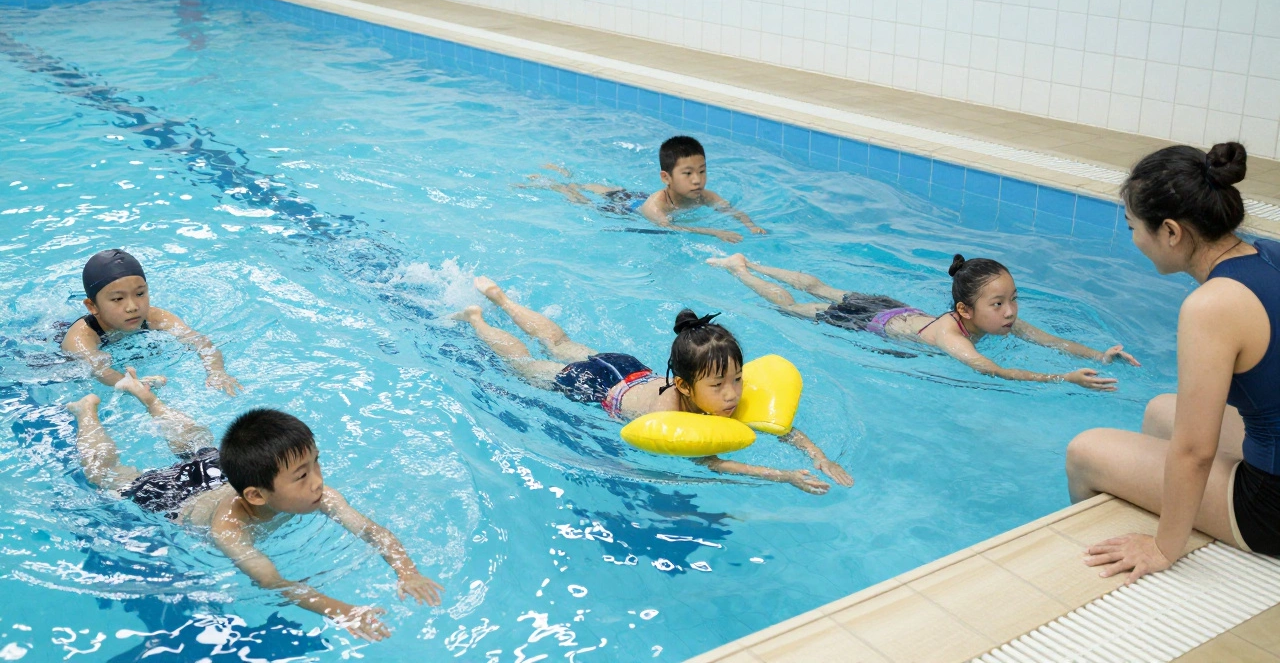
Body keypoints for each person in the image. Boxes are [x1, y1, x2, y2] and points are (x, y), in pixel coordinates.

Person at [66, 371, 444, 641]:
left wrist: (406, 571)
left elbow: (371, 530)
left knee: (199, 444)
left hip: (222, 472)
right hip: (176, 499)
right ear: (257, 497)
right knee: (109, 477)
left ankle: (148, 396)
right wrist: (338, 608)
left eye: (316, 463)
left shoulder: (317, 494)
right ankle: (86, 410)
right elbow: (272, 581)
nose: (318, 481)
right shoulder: (228, 529)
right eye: (301, 475)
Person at [1066, 142, 1280, 583]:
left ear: (1170, 231)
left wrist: (1165, 547)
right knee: (1161, 409)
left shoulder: (1212, 305)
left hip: (1271, 504)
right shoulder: (1270, 255)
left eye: (1133, 227)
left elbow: (1195, 451)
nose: (1134, 240)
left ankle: (1105, 573)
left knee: (1085, 452)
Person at [452, 276, 852, 494]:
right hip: (595, 384)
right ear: (684, 386)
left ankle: (502, 298)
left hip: (629, 368)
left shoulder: (714, 393)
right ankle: (478, 317)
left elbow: (779, 428)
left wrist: (818, 456)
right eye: (718, 385)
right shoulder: (670, 412)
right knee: (526, 365)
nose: (732, 394)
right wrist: (783, 476)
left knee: (560, 342)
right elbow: (710, 462)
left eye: (737, 379)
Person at [707, 252, 1139, 390]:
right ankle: (742, 270)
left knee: (820, 285)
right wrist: (1065, 379)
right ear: (965, 311)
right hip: (869, 322)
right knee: (792, 306)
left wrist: (1098, 355)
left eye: (1013, 301)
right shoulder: (954, 335)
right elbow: (993, 369)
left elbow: (1050, 339)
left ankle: (754, 262)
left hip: (892, 307)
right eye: (998, 304)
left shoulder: (998, 321)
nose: (1009, 312)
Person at [61, 249, 241, 395]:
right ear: (92, 306)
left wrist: (216, 371)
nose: (132, 307)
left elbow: (199, 341)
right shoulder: (80, 337)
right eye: (117, 299)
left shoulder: (154, 317)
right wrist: (131, 384)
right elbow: (99, 370)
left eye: (140, 294)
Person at [523, 136, 767, 243]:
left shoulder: (705, 196)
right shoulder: (656, 206)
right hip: (626, 210)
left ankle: (568, 177)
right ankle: (556, 184)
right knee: (583, 202)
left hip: (635, 196)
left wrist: (750, 225)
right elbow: (669, 226)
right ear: (666, 177)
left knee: (612, 188)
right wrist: (714, 232)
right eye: (688, 173)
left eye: (702, 171)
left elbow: (730, 209)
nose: (697, 180)